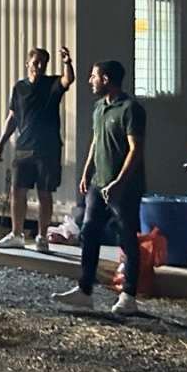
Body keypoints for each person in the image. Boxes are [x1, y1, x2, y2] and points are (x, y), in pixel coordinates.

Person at [53, 60, 144, 318]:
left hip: (124, 187)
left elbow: (136, 149)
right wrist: (86, 172)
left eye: (94, 76)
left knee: (127, 237)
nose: (90, 81)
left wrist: (119, 182)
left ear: (106, 79)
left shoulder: (130, 109)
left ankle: (129, 295)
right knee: (89, 231)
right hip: (98, 183)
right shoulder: (99, 108)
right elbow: (96, 141)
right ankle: (85, 290)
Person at [0, 46, 75, 252]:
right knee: (17, 190)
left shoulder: (52, 84)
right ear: (27, 63)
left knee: (44, 193)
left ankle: (42, 237)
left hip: (48, 149)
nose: (39, 66)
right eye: (36, 62)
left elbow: (68, 80)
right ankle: (16, 234)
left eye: (43, 63)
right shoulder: (19, 88)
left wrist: (67, 63)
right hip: (24, 147)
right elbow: (12, 117)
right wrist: (1, 143)